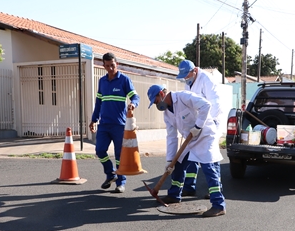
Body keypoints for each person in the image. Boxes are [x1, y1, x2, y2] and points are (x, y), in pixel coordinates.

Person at [146, 84, 226, 217]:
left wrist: (198, 126)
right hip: (190, 140)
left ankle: (219, 205)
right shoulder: (167, 114)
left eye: (156, 102)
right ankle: (174, 195)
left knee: (208, 168)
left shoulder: (183, 97)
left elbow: (206, 105)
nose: (157, 106)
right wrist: (170, 160)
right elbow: (171, 137)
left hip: (205, 136)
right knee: (177, 165)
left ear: (161, 94)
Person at [89, 52, 139, 193]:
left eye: (113, 65)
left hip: (119, 125)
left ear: (117, 64)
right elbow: (98, 102)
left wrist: (133, 103)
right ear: (103, 66)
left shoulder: (124, 80)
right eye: (108, 66)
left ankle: (121, 183)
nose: (111, 68)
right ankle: (110, 174)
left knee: (119, 155)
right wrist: (94, 119)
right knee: (99, 150)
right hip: (104, 124)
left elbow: (135, 96)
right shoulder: (102, 81)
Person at [176, 60, 226, 198]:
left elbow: (215, 104)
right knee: (192, 152)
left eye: (187, 75)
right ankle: (189, 187)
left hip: (212, 122)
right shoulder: (189, 83)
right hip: (196, 123)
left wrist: (205, 125)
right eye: (184, 76)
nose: (186, 78)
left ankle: (216, 188)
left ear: (195, 71)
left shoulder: (206, 79)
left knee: (210, 156)